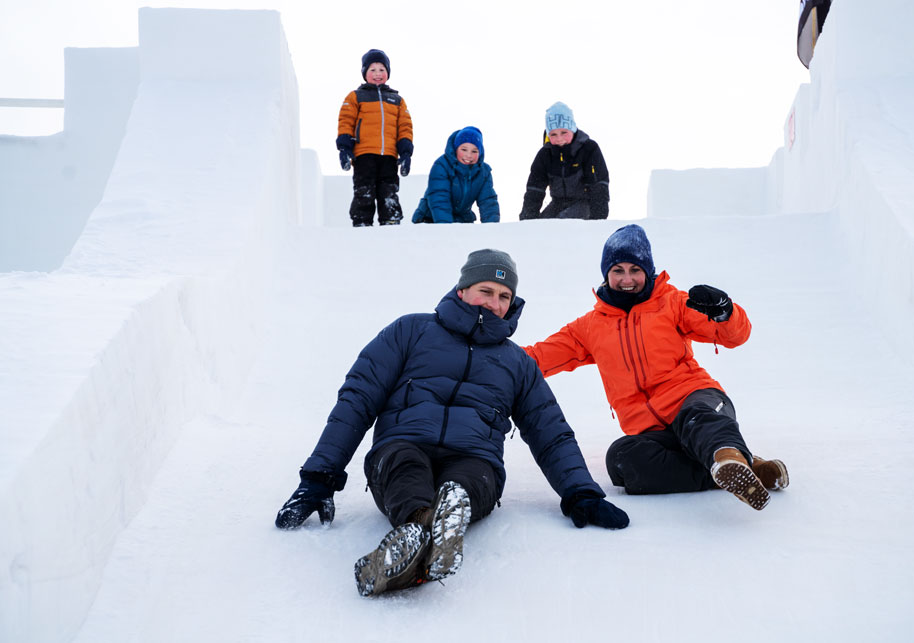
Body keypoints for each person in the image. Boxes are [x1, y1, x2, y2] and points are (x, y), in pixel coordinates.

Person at [275, 249, 629, 597]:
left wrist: (580, 492)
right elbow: (357, 400)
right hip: (403, 445)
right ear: (463, 290)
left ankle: (433, 524)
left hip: (475, 460)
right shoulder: (409, 331)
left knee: (467, 480)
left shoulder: (517, 363)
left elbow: (549, 430)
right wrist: (319, 478)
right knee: (404, 464)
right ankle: (423, 525)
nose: (495, 303)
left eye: (505, 296)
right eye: (486, 291)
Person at [523, 224, 789, 511]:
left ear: (647, 271)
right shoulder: (590, 327)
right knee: (621, 460)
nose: (627, 279)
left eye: (635, 270)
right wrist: (495, 356)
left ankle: (728, 457)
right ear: (606, 274)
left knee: (699, 418)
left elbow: (734, 335)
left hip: (694, 398)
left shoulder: (673, 303)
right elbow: (539, 357)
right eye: (618, 270)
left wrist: (725, 311)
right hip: (650, 431)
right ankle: (740, 469)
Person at [337, 49, 413, 227]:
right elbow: (346, 121)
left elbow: (405, 127)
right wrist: (344, 148)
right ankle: (362, 223)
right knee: (365, 190)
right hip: (364, 153)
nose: (377, 74)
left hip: (389, 155)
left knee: (389, 190)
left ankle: (391, 220)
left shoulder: (397, 100)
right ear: (365, 73)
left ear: (388, 73)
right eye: (372, 70)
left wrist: (406, 152)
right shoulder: (356, 96)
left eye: (381, 70)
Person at [518, 101, 609, 220]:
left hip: (585, 203)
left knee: (561, 224)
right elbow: (534, 190)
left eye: (564, 132)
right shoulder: (545, 155)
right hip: (558, 203)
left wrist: (598, 219)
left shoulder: (589, 149)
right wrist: (526, 221)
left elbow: (599, 185)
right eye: (553, 135)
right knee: (541, 226)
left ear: (572, 129)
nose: (559, 139)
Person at [411, 126, 499, 224]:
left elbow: (488, 202)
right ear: (456, 149)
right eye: (464, 149)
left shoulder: (483, 172)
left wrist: (491, 229)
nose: (469, 155)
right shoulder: (442, 165)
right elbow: (440, 198)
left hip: (460, 220)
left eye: (474, 151)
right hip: (430, 219)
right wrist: (446, 229)